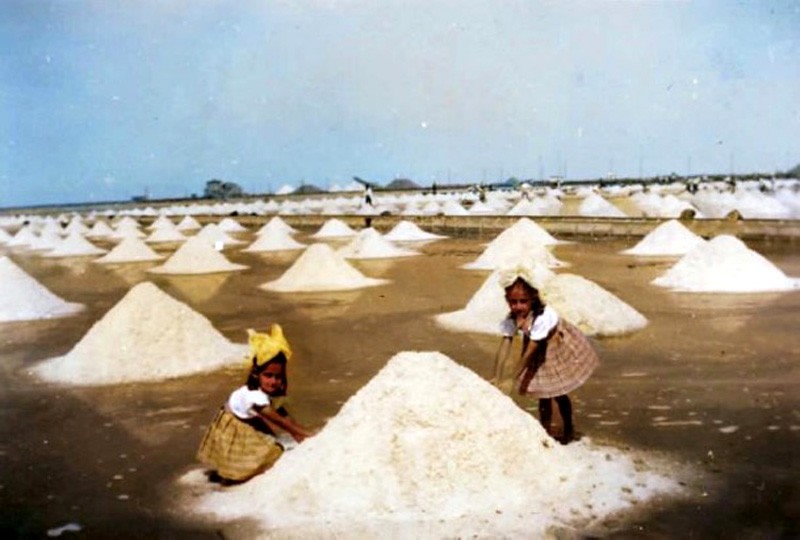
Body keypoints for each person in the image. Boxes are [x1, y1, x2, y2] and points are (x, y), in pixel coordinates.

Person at [492, 268, 599, 444]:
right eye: (513, 302)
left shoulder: (543, 316)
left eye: (522, 301)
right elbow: (505, 344)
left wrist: (512, 378)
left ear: (533, 298)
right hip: (538, 348)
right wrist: (497, 376)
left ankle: (568, 429)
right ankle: (545, 432)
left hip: (556, 348)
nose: (517, 306)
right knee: (543, 396)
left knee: (558, 393)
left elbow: (529, 352)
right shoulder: (512, 317)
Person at [197, 324, 313, 484]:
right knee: (272, 452)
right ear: (256, 374)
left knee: (270, 437)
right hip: (234, 425)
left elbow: (283, 413)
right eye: (268, 375)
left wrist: (298, 433)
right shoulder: (254, 397)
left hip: (243, 418)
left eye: (278, 376)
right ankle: (236, 477)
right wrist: (308, 435)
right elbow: (281, 421)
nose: (273, 381)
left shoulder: (263, 390)